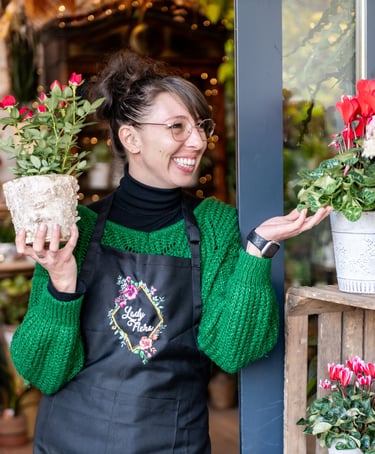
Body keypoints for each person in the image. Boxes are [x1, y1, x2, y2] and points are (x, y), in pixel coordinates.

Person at [10, 49, 331, 453]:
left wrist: (256, 251)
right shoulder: (77, 228)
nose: (197, 141)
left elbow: (234, 351)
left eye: (200, 126)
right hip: (72, 441)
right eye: (177, 127)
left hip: (172, 441)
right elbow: (42, 371)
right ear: (131, 138)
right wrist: (60, 283)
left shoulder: (214, 226)